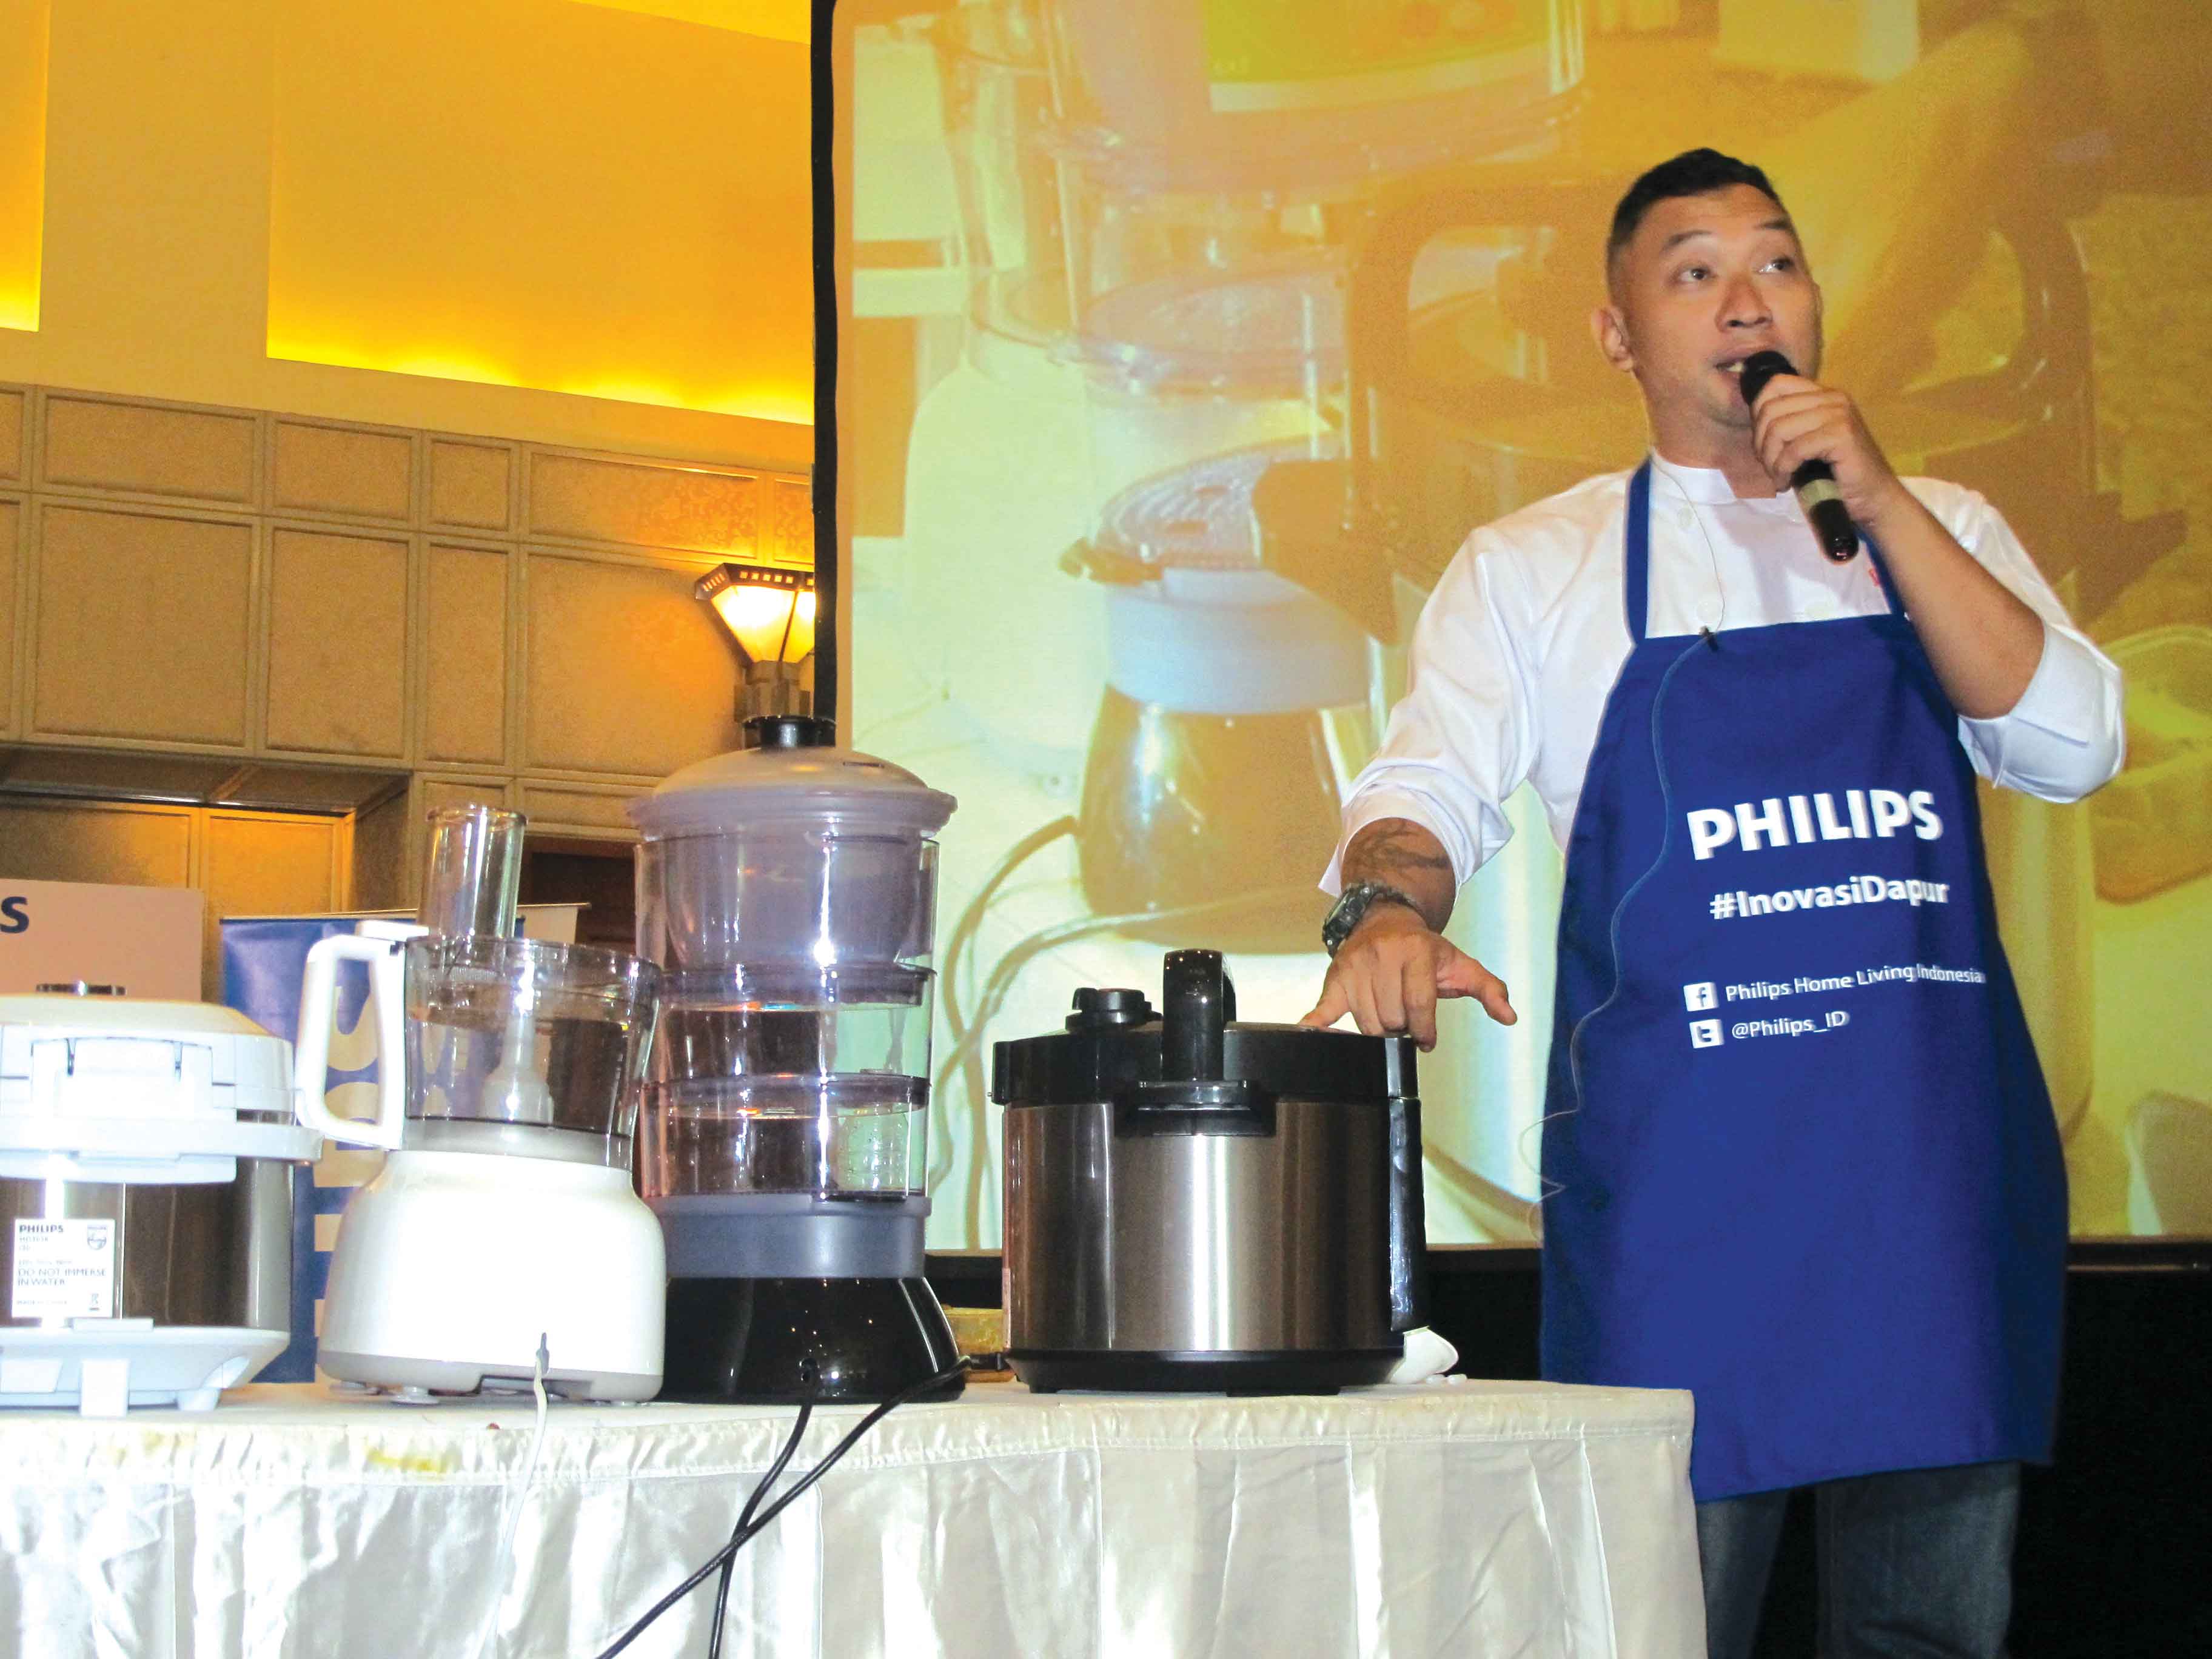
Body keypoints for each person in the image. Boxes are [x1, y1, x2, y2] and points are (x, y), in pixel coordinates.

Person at [1304, 148, 2125, 1658]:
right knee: (1657, 1626)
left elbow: (2073, 748)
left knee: (1932, 1635)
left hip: (1925, 1194)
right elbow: (1419, 791)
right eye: (1695, 272)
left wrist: (1881, 498)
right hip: (1688, 1207)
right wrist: (1385, 914)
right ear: (1617, 334)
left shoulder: (1934, 526)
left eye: (1778, 263)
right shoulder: (1534, 567)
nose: (1749, 301)